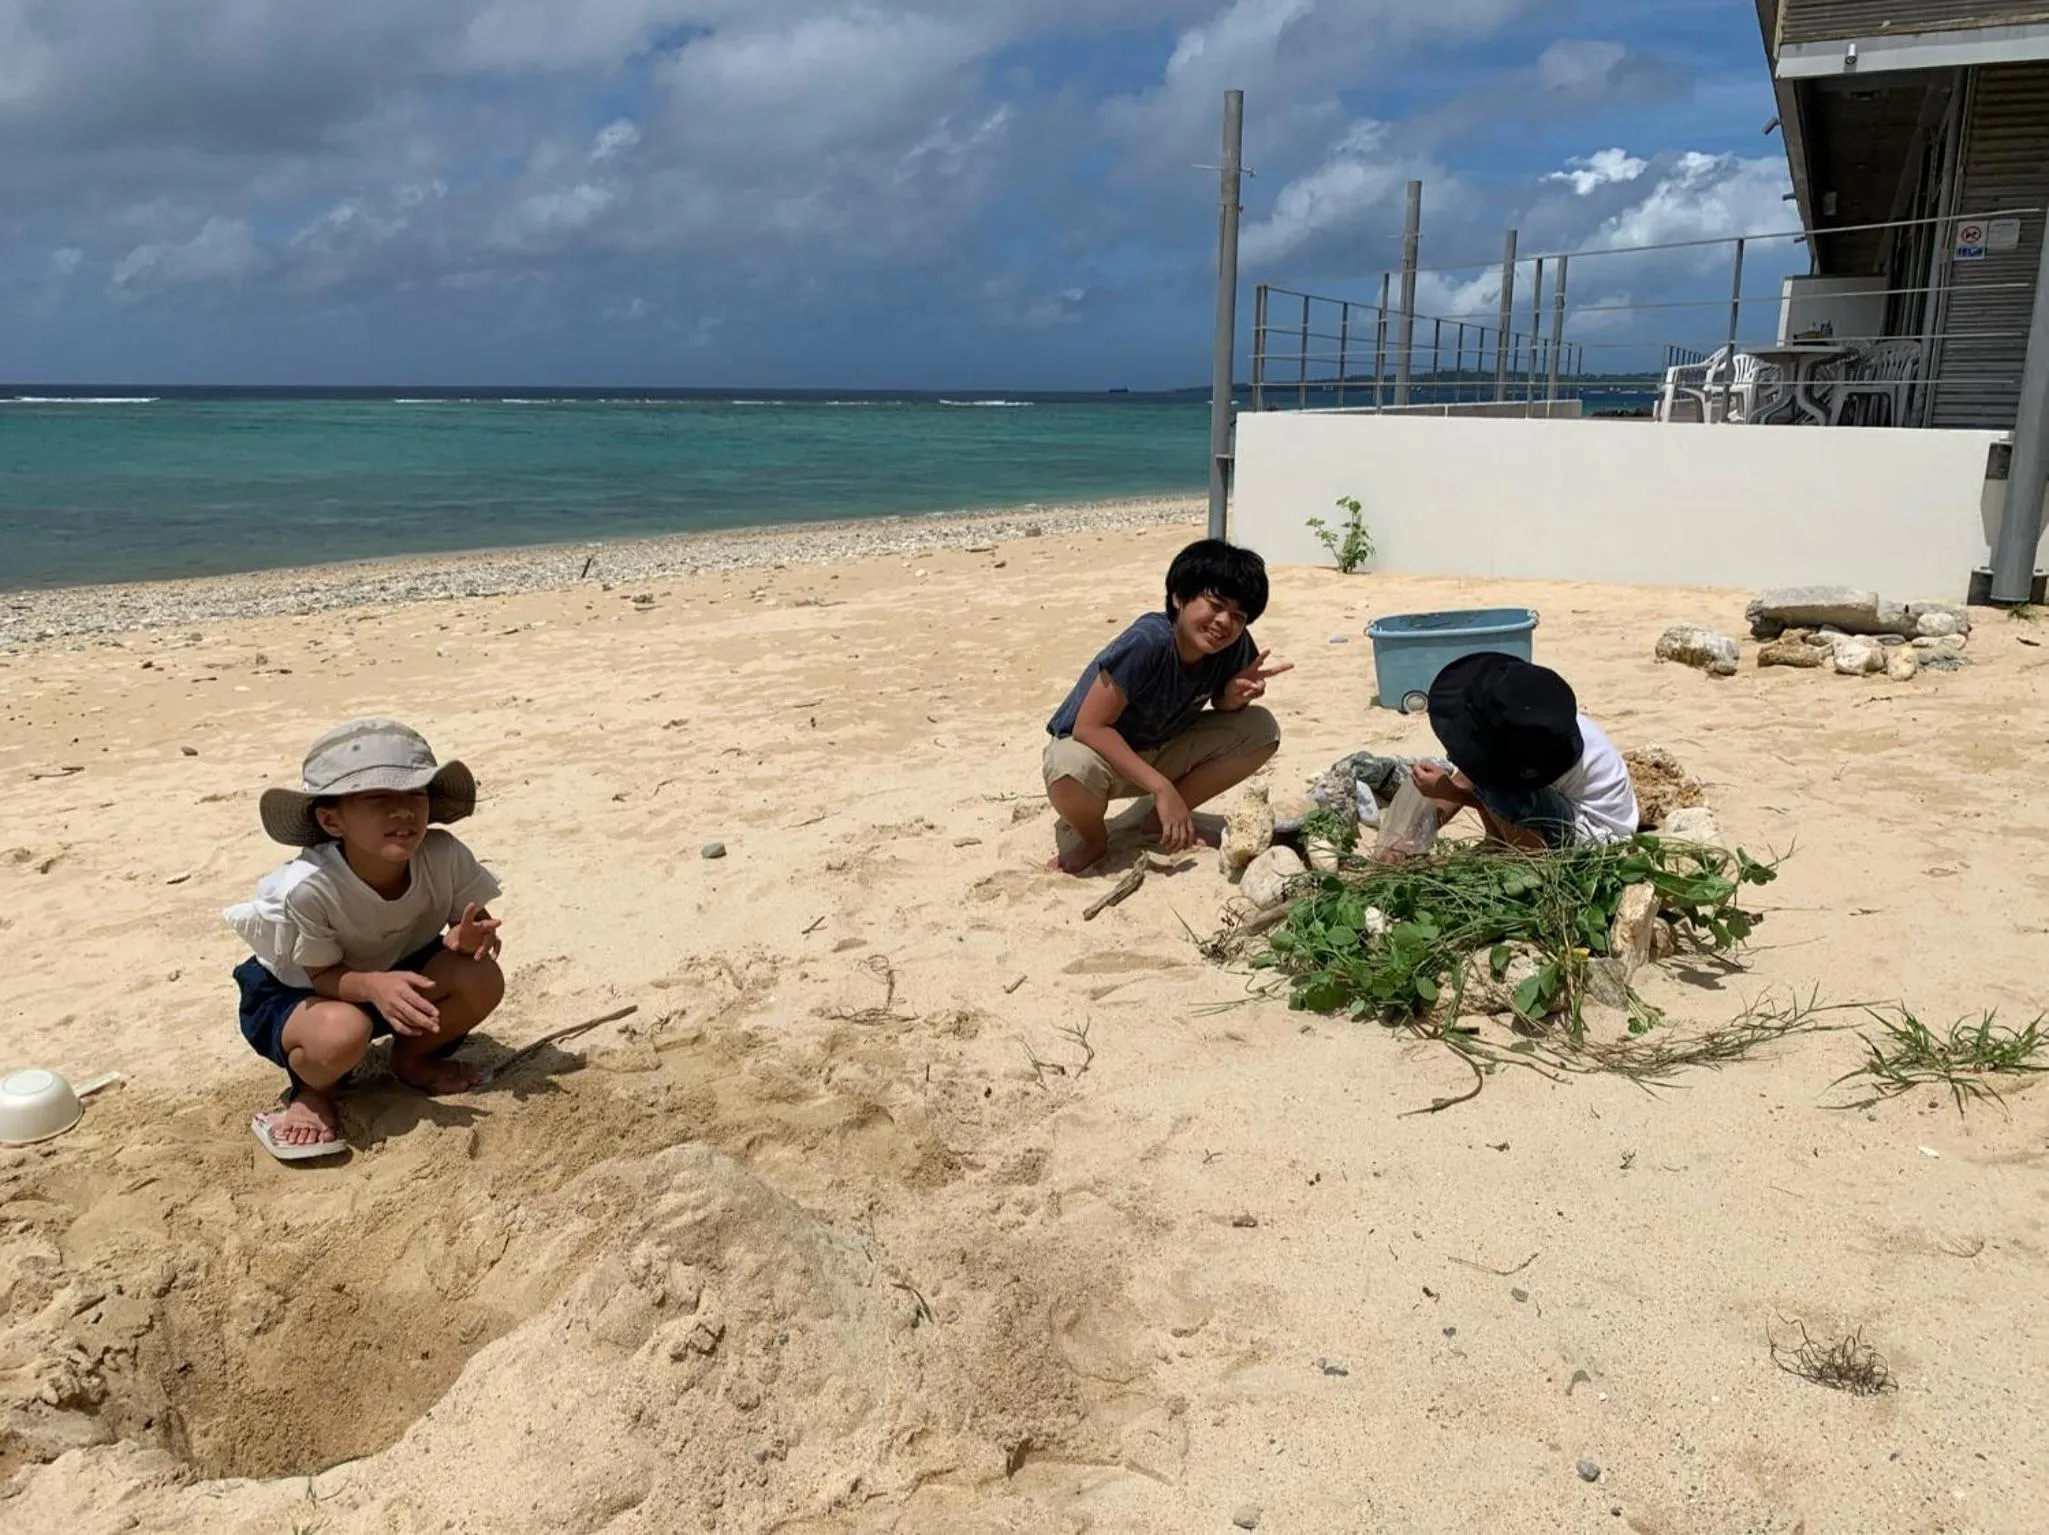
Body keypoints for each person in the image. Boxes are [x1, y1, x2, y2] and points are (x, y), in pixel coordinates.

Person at [225, 719, 506, 1160]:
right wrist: (374, 985)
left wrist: (470, 940)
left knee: (481, 977)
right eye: (378, 799)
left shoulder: (443, 854)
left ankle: (412, 1061)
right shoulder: (310, 887)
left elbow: (472, 929)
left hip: (398, 967)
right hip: (302, 993)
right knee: (341, 1032)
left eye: (415, 795)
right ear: (330, 820)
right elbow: (321, 975)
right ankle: (313, 1090)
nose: (403, 811)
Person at [1043, 538, 1291, 874]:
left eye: (1238, 615)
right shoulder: (1150, 641)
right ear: (1179, 597)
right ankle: (1094, 839)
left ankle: (1155, 824)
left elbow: (1218, 700)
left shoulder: (1232, 644)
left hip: (1163, 746)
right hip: (1104, 755)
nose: (1224, 622)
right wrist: (1162, 788)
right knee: (1067, 766)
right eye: (1215, 604)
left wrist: (1229, 697)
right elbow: (1089, 727)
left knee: (1260, 729)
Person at [1412, 651, 1638, 851]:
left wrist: (1449, 792)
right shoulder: (1527, 723)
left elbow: (1503, 797)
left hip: (1597, 835)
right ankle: (1502, 844)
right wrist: (1410, 840)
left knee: (1501, 788)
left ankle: (1525, 863)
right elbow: (1469, 775)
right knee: (1486, 771)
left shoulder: (1537, 741)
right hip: (1565, 805)